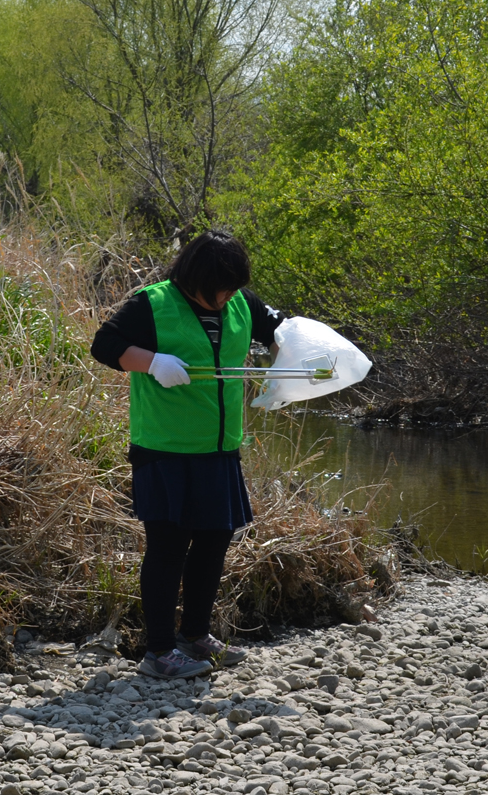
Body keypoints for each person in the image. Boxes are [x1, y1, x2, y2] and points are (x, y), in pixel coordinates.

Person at [90, 229, 285, 679]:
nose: (225, 296)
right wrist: (152, 362)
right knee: (168, 547)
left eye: (233, 287)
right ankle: (158, 652)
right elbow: (105, 345)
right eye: (219, 287)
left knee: (215, 540)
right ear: (194, 276)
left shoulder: (240, 301)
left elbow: (279, 333)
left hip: (219, 447)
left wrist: (293, 363)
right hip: (164, 448)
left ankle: (195, 636)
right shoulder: (152, 304)